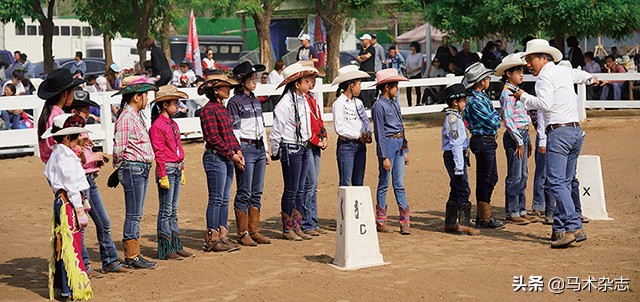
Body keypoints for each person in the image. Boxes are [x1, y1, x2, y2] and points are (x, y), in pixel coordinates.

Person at [511, 38, 598, 248]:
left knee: (556, 182)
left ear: (543, 57)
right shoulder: (564, 71)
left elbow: (545, 104)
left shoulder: (543, 79)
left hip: (558, 133)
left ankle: (573, 226)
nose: (528, 64)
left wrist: (523, 96)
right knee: (564, 183)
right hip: (575, 132)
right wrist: (592, 79)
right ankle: (560, 230)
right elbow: (582, 75)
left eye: (530, 59)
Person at [63, 90, 132, 276]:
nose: (88, 114)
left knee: (99, 223)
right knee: (92, 224)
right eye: (85, 110)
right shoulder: (72, 132)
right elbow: (73, 158)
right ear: (76, 111)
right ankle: (91, 264)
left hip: (87, 179)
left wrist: (94, 159)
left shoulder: (76, 131)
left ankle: (101, 262)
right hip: (82, 181)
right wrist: (91, 156)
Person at [42, 114, 93, 301]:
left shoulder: (57, 153)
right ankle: (72, 288)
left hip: (61, 201)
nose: (78, 138)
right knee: (71, 245)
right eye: (75, 135)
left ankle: (65, 288)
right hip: (69, 204)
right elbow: (72, 185)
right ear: (66, 137)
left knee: (63, 245)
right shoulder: (66, 156)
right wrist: (79, 209)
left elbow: (48, 175)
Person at [112, 76, 159, 268]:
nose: (147, 99)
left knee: (136, 213)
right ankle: (132, 255)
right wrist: (119, 168)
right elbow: (118, 149)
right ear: (136, 98)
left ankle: (133, 253)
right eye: (145, 96)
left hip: (138, 168)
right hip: (134, 168)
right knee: (134, 213)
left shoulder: (133, 116)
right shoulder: (127, 118)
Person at [270, 63, 318, 241]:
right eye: (306, 81)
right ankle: (287, 227)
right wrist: (275, 151)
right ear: (297, 84)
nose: (309, 84)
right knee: (291, 189)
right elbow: (277, 131)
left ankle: (296, 226)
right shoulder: (285, 104)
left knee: (300, 190)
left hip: (302, 146)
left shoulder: (303, 100)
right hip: (290, 147)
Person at [198, 71, 244, 252]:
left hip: (223, 157)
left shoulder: (220, 109)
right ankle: (213, 237)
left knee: (223, 198)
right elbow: (213, 138)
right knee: (217, 198)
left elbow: (228, 134)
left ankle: (221, 235)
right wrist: (232, 154)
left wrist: (237, 150)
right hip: (216, 157)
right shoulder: (209, 110)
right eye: (225, 87)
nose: (229, 89)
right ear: (216, 90)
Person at [227, 61, 272, 246]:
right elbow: (235, 130)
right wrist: (238, 151)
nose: (255, 81)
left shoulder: (255, 100)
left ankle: (254, 229)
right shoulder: (234, 102)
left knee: (257, 191)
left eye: (255, 78)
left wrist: (267, 150)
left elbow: (261, 126)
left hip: (259, 148)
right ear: (242, 80)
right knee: (244, 190)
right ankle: (242, 232)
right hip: (245, 148)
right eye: (251, 78)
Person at [149, 85, 195, 260]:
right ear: (165, 105)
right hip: (167, 168)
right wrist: (162, 174)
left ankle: (174, 245)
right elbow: (159, 152)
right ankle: (167, 247)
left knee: (172, 209)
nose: (177, 106)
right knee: (166, 209)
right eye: (175, 103)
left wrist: (181, 168)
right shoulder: (158, 126)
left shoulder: (171, 124)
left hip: (174, 167)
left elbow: (177, 147)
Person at [495, 53, 540, 225]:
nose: (521, 74)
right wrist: (520, 141)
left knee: (522, 174)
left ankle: (519, 209)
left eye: (522, 71)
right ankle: (513, 211)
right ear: (508, 74)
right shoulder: (508, 94)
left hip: (522, 134)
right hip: (516, 137)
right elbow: (508, 120)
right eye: (518, 71)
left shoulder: (515, 92)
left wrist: (525, 138)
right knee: (515, 175)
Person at [462, 62, 505, 229]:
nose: (488, 80)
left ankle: (483, 214)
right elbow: (493, 119)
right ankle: (484, 217)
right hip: (483, 140)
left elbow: (493, 118)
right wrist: (495, 117)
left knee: (489, 178)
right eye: (486, 78)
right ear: (481, 81)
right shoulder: (476, 100)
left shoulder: (477, 98)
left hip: (484, 140)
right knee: (486, 178)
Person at [370, 68, 412, 235]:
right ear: (387, 87)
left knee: (399, 184)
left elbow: (401, 126)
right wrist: (384, 156)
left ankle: (404, 221)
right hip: (388, 144)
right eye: (395, 85)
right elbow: (379, 133)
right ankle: (381, 221)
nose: (397, 88)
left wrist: (405, 148)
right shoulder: (378, 106)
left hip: (398, 143)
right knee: (385, 183)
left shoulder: (394, 104)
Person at [440, 83, 481, 236]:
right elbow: (456, 144)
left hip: (453, 156)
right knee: (463, 188)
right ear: (455, 102)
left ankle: (450, 222)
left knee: (455, 188)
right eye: (463, 100)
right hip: (455, 156)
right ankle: (463, 225)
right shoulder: (454, 120)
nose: (466, 102)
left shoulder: (454, 117)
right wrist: (459, 166)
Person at [298, 60, 327, 237]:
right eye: (310, 78)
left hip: (315, 144)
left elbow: (318, 121)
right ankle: (307, 221)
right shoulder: (302, 101)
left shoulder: (311, 99)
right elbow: (306, 125)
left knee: (313, 185)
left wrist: (324, 135)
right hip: (309, 144)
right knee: (310, 184)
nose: (313, 81)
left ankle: (312, 221)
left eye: (313, 78)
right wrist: (318, 140)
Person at [331, 65, 372, 187]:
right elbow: (340, 128)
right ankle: (346, 206)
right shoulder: (338, 104)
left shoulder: (358, 102)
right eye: (359, 84)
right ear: (351, 86)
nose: (360, 87)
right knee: (346, 182)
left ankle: (356, 206)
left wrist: (368, 132)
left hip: (360, 145)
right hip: (347, 146)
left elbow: (365, 120)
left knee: (359, 181)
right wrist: (359, 134)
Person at [37, 68, 85, 163]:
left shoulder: (49, 114)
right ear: (65, 94)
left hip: (52, 163)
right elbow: (62, 145)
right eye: (72, 92)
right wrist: (79, 149)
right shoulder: (57, 117)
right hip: (60, 162)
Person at [356, 34, 376, 108]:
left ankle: (369, 104)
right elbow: (358, 57)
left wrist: (363, 57)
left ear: (368, 40)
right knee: (362, 89)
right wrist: (363, 57)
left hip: (369, 72)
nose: (362, 41)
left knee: (370, 89)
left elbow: (367, 56)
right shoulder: (362, 49)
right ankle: (364, 103)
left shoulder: (371, 48)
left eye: (363, 40)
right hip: (362, 72)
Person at [405, 41, 423, 107]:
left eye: (412, 46)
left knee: (417, 89)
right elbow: (406, 64)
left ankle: (418, 103)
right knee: (408, 90)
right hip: (410, 74)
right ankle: (409, 104)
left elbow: (420, 66)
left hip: (417, 74)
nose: (411, 47)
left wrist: (412, 70)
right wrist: (407, 70)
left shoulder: (419, 55)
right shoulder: (409, 55)